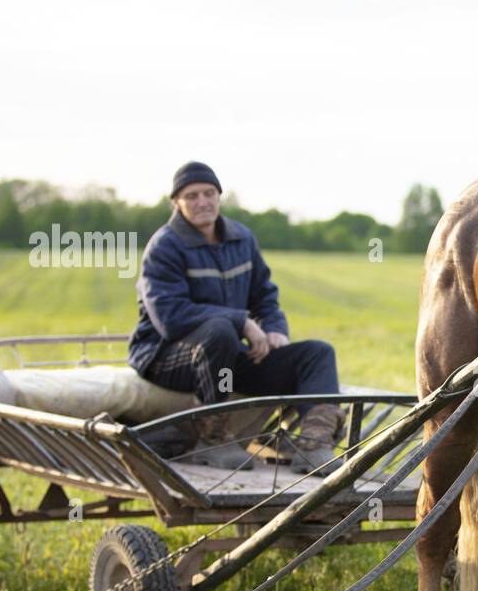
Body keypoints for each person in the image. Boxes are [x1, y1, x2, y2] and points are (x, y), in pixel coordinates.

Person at [128, 161, 344, 474]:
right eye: (191, 196)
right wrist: (241, 321)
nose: (202, 201)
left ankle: (313, 445)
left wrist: (274, 330)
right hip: (164, 357)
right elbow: (170, 318)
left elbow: (264, 295)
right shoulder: (164, 246)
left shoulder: (242, 239)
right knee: (220, 331)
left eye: (208, 193)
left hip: (224, 356)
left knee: (318, 353)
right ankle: (214, 441)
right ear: (176, 203)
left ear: (219, 195)